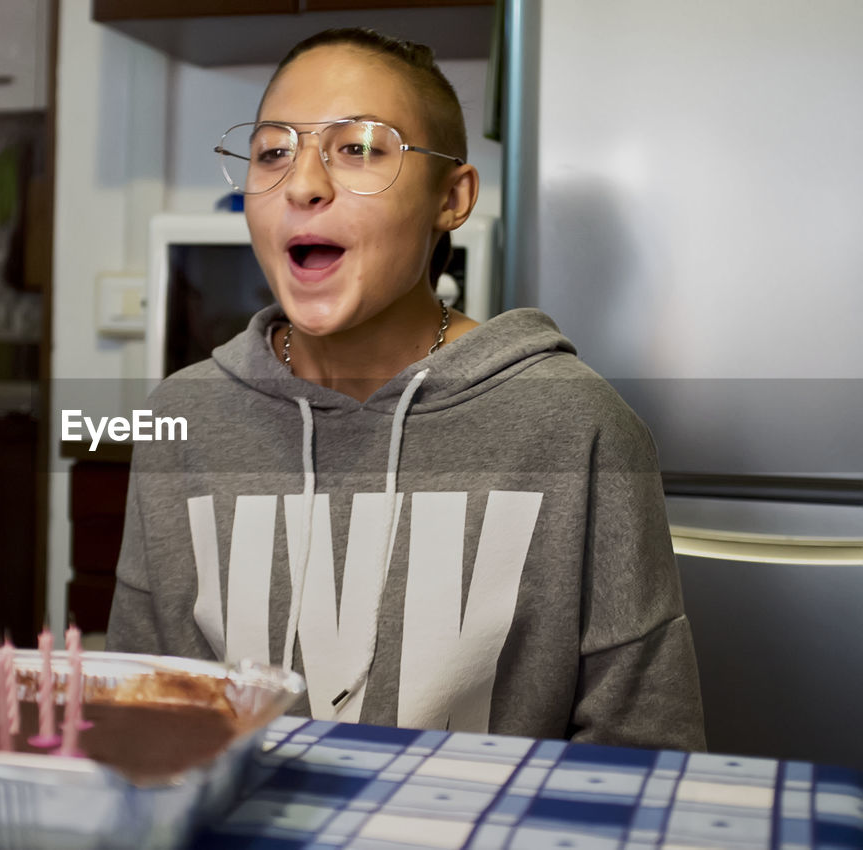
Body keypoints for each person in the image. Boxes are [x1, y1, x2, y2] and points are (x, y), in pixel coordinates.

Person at [106, 28, 705, 750]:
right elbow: (144, 721)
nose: (302, 184)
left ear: (451, 198)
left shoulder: (578, 426)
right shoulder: (181, 420)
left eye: (358, 148)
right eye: (272, 152)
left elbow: (642, 751)